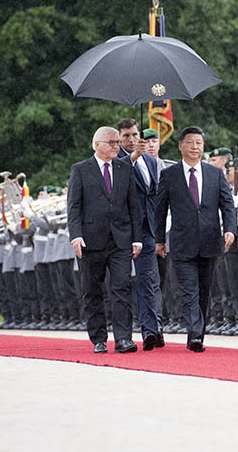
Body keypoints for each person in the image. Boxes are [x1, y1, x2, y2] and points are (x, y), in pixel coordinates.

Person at [155, 126, 237, 352]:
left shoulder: (214, 174)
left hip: (210, 241)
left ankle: (198, 332)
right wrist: (159, 239)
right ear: (181, 145)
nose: (194, 147)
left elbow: (227, 205)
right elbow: (160, 209)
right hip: (182, 242)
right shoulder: (169, 175)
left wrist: (230, 229)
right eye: (190, 143)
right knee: (189, 290)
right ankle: (194, 335)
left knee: (204, 290)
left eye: (199, 143)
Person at [67, 126, 143, 354]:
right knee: (92, 290)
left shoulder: (124, 168)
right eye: (111, 142)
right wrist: (76, 236)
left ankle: (123, 339)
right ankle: (98, 338)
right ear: (96, 144)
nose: (115, 146)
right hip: (91, 241)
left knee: (122, 288)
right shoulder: (81, 169)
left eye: (117, 142)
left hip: (120, 240)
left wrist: (137, 238)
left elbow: (133, 206)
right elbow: (74, 206)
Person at [116, 117, 164, 350]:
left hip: (147, 230)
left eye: (135, 135)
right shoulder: (114, 161)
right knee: (121, 283)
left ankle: (151, 331)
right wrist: (131, 159)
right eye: (126, 136)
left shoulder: (151, 162)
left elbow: (154, 196)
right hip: (122, 231)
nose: (132, 139)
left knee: (148, 280)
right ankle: (123, 334)